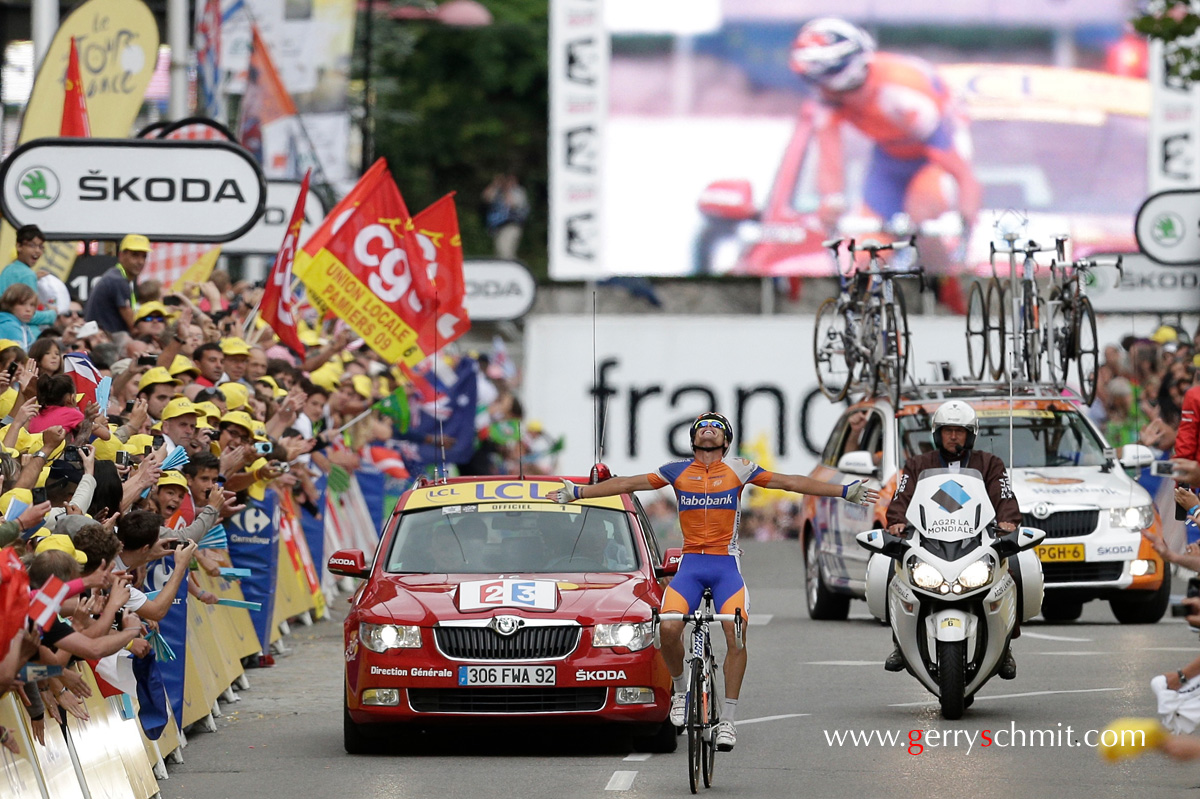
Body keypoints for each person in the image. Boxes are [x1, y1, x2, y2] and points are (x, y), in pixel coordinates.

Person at [550, 412, 877, 752]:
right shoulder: (676, 471)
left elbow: (791, 482)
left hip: (725, 568)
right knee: (669, 627)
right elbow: (627, 484)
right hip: (691, 565)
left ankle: (730, 722)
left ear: (726, 440)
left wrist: (844, 490)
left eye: (716, 427)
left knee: (736, 635)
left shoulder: (740, 468)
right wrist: (580, 492)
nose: (709, 430)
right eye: (702, 427)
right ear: (693, 439)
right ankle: (680, 691)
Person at [789, 18, 980, 234]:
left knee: (921, 216)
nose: (817, 91)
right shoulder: (830, 99)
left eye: (819, 82)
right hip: (891, 155)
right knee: (867, 249)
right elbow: (829, 157)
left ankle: (936, 264)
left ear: (844, 76)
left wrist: (967, 215)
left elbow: (961, 172)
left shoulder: (902, 96)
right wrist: (831, 202)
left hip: (935, 154)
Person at [883, 399, 1021, 676]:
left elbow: (1004, 496)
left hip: (977, 540)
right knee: (892, 567)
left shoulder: (990, 463)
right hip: (928, 541)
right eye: (948, 430)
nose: (954, 436)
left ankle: (1005, 646)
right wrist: (897, 523)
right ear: (937, 433)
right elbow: (901, 497)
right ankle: (900, 640)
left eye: (960, 431)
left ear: (971, 434)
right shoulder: (918, 464)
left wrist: (1008, 522)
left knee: (1015, 566)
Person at [85, 234, 151, 335]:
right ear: (121, 256)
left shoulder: (115, 276)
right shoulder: (117, 280)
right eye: (135, 255)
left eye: (144, 256)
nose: (140, 261)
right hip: (104, 341)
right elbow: (134, 326)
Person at [0, 225, 58, 327]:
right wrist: (52, 314)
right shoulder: (28, 275)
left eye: (41, 246)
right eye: (32, 245)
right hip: (25, 334)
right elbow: (29, 315)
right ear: (19, 247)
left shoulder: (7, 269)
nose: (37, 251)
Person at [482, 173, 530, 260]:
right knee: (499, 252)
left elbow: (511, 204)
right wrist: (495, 185)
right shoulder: (497, 192)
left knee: (506, 251)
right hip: (498, 227)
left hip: (511, 225)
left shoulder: (518, 192)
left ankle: (511, 269)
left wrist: (507, 190)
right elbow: (486, 198)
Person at [0, 283, 42, 348]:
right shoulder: (10, 326)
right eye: (22, 304)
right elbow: (20, 356)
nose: (28, 309)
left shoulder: (22, 325)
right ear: (10, 304)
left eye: (32, 305)